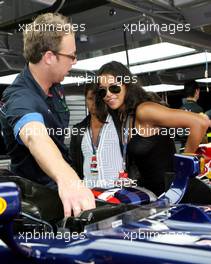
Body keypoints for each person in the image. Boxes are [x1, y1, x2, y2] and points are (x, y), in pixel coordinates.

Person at [0, 13, 95, 217]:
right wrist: (69, 179)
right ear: (49, 57)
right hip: (38, 209)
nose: (75, 62)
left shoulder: (55, 89)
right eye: (71, 56)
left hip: (63, 198)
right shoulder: (19, 97)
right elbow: (35, 136)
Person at [95, 61, 211, 202]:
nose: (108, 94)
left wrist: (183, 166)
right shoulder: (124, 116)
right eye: (102, 90)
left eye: (114, 88)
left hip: (180, 195)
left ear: (127, 86)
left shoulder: (144, 110)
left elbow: (201, 122)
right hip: (158, 198)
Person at [69, 82, 123, 188]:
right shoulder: (78, 129)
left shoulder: (119, 123)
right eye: (90, 98)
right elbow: (73, 162)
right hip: (89, 193)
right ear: (85, 99)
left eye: (97, 98)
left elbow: (133, 157)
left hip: (118, 192)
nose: (94, 103)